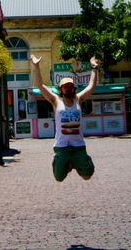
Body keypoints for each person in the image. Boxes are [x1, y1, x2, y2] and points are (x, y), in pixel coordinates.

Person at [31, 54, 99, 182]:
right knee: (59, 178)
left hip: (78, 146)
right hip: (61, 146)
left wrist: (94, 68)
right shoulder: (56, 101)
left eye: (70, 86)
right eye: (65, 87)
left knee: (87, 175)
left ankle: (78, 161)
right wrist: (36, 66)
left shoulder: (78, 99)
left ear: (74, 88)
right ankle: (65, 163)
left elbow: (91, 86)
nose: (68, 88)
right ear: (61, 89)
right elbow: (40, 85)